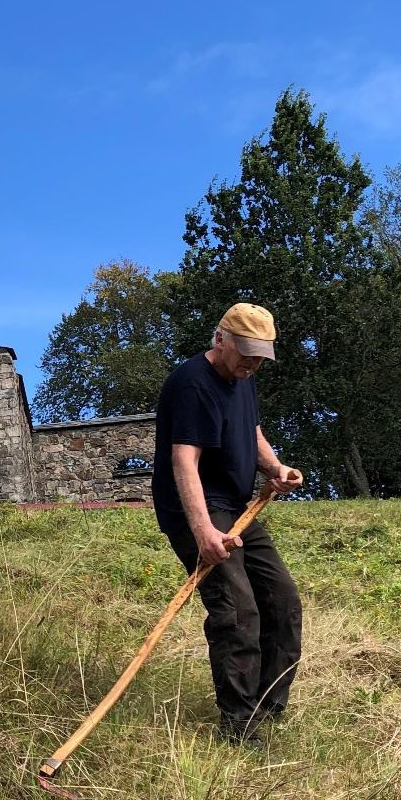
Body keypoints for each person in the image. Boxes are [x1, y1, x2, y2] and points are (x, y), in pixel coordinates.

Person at [151, 303, 304, 746]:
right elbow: (185, 461)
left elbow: (250, 431)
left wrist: (274, 468)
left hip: (238, 509)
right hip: (197, 510)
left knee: (283, 600)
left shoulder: (244, 378)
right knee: (238, 609)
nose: (252, 364)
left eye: (260, 356)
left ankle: (268, 707)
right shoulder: (191, 384)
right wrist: (203, 532)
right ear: (221, 338)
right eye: (246, 353)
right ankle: (238, 725)